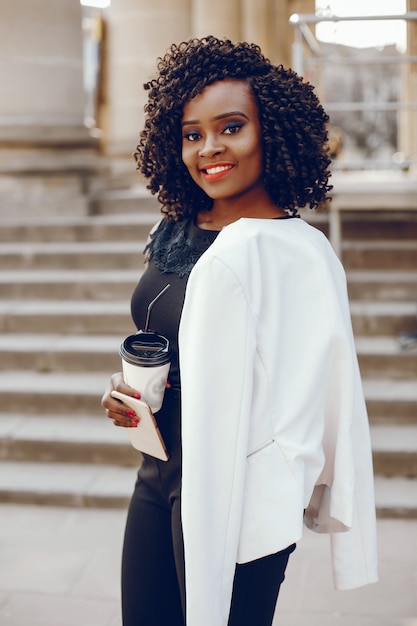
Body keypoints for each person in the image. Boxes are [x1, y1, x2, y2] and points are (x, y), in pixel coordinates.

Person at [101, 36, 378, 626]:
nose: (210, 149)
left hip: (240, 493)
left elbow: (314, 393)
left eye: (231, 127)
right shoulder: (176, 228)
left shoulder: (294, 253)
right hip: (159, 473)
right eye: (192, 134)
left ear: (270, 132)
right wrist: (133, 396)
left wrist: (282, 490)